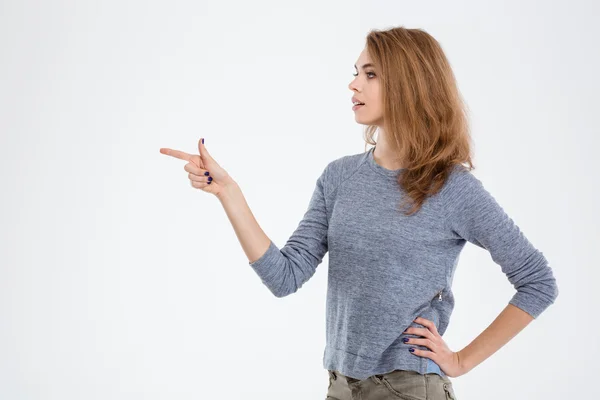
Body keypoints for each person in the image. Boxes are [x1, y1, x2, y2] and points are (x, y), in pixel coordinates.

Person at [159, 26, 559, 400]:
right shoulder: (339, 177)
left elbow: (538, 282)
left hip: (406, 386)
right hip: (340, 386)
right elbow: (284, 277)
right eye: (356, 72)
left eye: (370, 74)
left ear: (409, 85)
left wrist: (461, 361)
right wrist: (229, 193)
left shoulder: (451, 187)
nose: (353, 84)